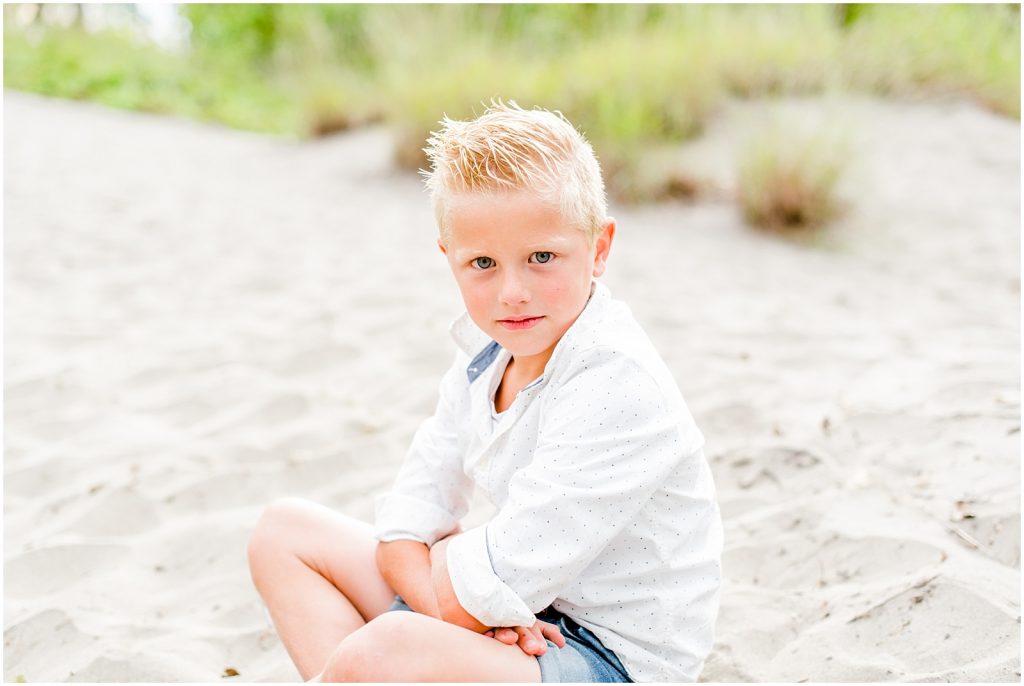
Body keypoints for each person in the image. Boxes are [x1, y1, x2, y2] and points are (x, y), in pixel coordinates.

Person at [247, 100, 722, 682]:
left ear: (599, 249)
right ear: (449, 259)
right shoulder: (486, 352)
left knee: (381, 650)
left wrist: (457, 588)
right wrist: (454, 592)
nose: (512, 292)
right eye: (483, 263)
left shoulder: (616, 384)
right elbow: (408, 524)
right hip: (517, 620)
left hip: (607, 660)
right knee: (284, 532)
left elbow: (461, 592)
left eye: (542, 257)